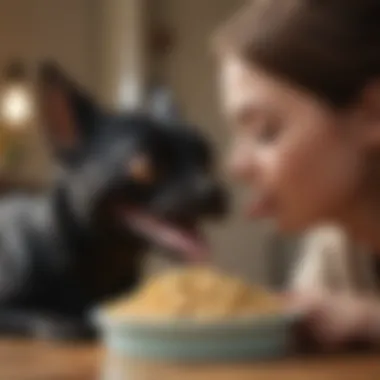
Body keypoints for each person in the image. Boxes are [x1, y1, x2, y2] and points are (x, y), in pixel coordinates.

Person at [213, 0, 380, 348]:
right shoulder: (339, 246)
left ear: (372, 114)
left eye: (266, 132)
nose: (236, 165)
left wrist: (368, 318)